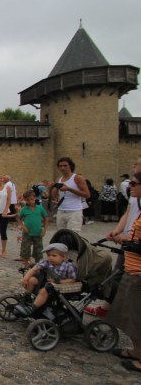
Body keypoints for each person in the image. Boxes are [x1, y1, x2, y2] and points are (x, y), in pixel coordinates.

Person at [85, 156, 141, 318]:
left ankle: (124, 312)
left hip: (135, 241)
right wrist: (117, 230)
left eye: (137, 164)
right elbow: (128, 212)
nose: (134, 166)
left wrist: (127, 237)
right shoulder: (135, 190)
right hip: (129, 240)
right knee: (117, 274)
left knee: (126, 278)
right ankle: (108, 308)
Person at [106, 170, 141, 373]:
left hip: (139, 272)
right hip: (132, 267)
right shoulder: (137, 208)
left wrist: (127, 240)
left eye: (134, 184)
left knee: (137, 315)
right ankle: (136, 351)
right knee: (130, 314)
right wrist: (121, 234)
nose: (130, 187)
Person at [16, 243, 77, 316]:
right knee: (31, 280)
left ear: (63, 257)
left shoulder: (69, 267)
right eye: (48, 255)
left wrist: (58, 281)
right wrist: (26, 278)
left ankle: (33, 307)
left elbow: (72, 280)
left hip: (59, 285)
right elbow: (34, 269)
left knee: (44, 290)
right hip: (47, 280)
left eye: (54, 256)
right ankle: (27, 297)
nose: (50, 258)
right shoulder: (47, 262)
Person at [49, 157, 90, 232]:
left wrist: (69, 189)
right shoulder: (59, 179)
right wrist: (53, 187)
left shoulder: (77, 178)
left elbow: (87, 195)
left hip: (74, 211)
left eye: (65, 165)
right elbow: (54, 196)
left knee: (73, 236)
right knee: (61, 235)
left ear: (70, 166)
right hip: (61, 210)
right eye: (60, 166)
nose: (62, 168)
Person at [18, 190, 49, 269]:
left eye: (32, 199)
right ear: (25, 200)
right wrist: (23, 227)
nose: (30, 201)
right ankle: (26, 263)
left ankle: (38, 263)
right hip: (27, 232)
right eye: (28, 200)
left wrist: (44, 229)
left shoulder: (40, 208)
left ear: (35, 198)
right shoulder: (24, 209)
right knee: (25, 248)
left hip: (38, 232)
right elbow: (19, 219)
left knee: (38, 248)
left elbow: (46, 218)